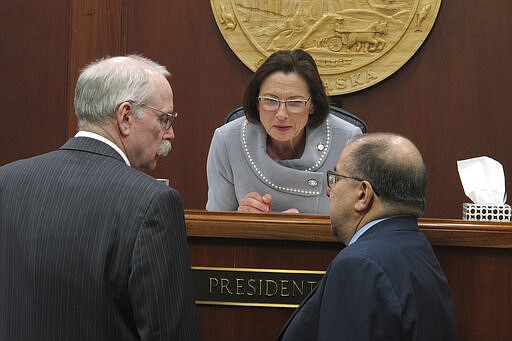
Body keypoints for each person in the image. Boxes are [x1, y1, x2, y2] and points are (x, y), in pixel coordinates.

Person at [0, 55, 199, 340]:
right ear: (126, 117)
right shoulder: (153, 202)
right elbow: (169, 332)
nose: (171, 133)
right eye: (164, 119)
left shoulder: (6, 182)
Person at [278, 133, 458, 340]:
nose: (329, 191)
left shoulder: (359, 265)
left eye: (336, 179)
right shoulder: (418, 250)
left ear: (363, 195)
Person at [206, 49, 363, 214]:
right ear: (257, 102)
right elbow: (216, 223)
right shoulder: (227, 139)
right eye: (270, 101)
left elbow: (356, 223)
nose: (281, 114)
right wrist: (243, 220)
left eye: (295, 102)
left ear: (312, 105)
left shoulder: (347, 139)